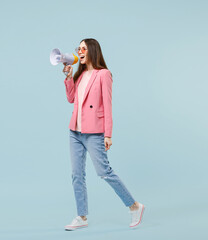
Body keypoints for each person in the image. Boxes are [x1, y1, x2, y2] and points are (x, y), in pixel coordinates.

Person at [62, 38, 145, 231]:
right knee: (76, 174)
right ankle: (81, 216)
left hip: (94, 132)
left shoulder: (103, 74)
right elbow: (71, 99)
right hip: (75, 131)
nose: (79, 51)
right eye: (78, 48)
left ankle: (134, 206)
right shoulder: (80, 75)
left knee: (103, 172)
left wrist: (108, 134)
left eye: (83, 48)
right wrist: (68, 77)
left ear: (92, 50)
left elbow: (108, 105)